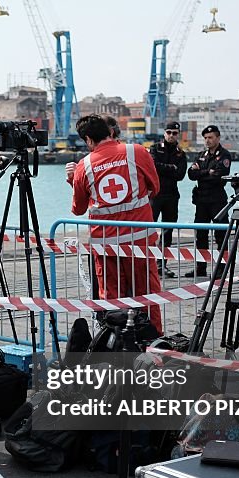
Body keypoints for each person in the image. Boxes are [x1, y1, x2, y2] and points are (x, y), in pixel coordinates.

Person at [68, 114, 163, 333]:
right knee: (148, 295)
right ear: (109, 132)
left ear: (88, 140)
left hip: (105, 245)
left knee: (111, 300)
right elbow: (155, 187)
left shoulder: (84, 166)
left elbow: (78, 208)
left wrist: (72, 181)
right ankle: (154, 342)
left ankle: (116, 344)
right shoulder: (137, 152)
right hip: (140, 240)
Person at [185, 124, 233, 279]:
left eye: (210, 137)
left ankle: (221, 268)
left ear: (218, 138)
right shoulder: (201, 154)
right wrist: (207, 172)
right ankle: (201, 267)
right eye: (205, 138)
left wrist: (201, 173)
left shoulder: (224, 155)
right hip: (201, 200)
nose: (207, 140)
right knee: (201, 235)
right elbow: (191, 174)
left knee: (221, 235)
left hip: (217, 199)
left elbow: (219, 176)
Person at [149, 121, 188, 278]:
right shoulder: (154, 149)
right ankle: (146, 262)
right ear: (164, 133)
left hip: (171, 196)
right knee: (147, 229)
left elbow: (180, 175)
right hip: (155, 195)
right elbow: (152, 166)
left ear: (178, 134)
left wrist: (163, 167)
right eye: (169, 132)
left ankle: (161, 265)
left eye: (175, 133)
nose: (172, 135)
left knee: (167, 232)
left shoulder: (181, 153)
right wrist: (171, 167)